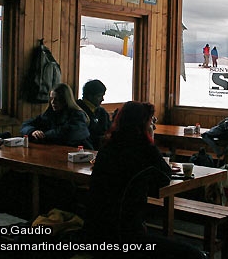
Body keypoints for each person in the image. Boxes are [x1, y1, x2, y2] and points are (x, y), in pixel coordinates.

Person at [84, 101, 206, 259]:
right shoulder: (144, 149)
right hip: (125, 237)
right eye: (151, 122)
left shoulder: (108, 147)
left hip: (93, 232)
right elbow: (163, 179)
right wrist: (151, 139)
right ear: (143, 125)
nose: (153, 126)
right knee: (195, 255)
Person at [21, 83, 92, 148]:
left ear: (65, 100)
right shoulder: (49, 113)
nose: (53, 102)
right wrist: (33, 131)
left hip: (77, 153)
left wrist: (42, 135)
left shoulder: (78, 115)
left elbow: (66, 134)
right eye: (51, 98)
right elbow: (25, 125)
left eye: (57, 99)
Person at [76, 80, 112, 150]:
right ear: (89, 96)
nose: (102, 99)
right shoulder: (77, 111)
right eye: (99, 96)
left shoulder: (102, 112)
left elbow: (109, 129)